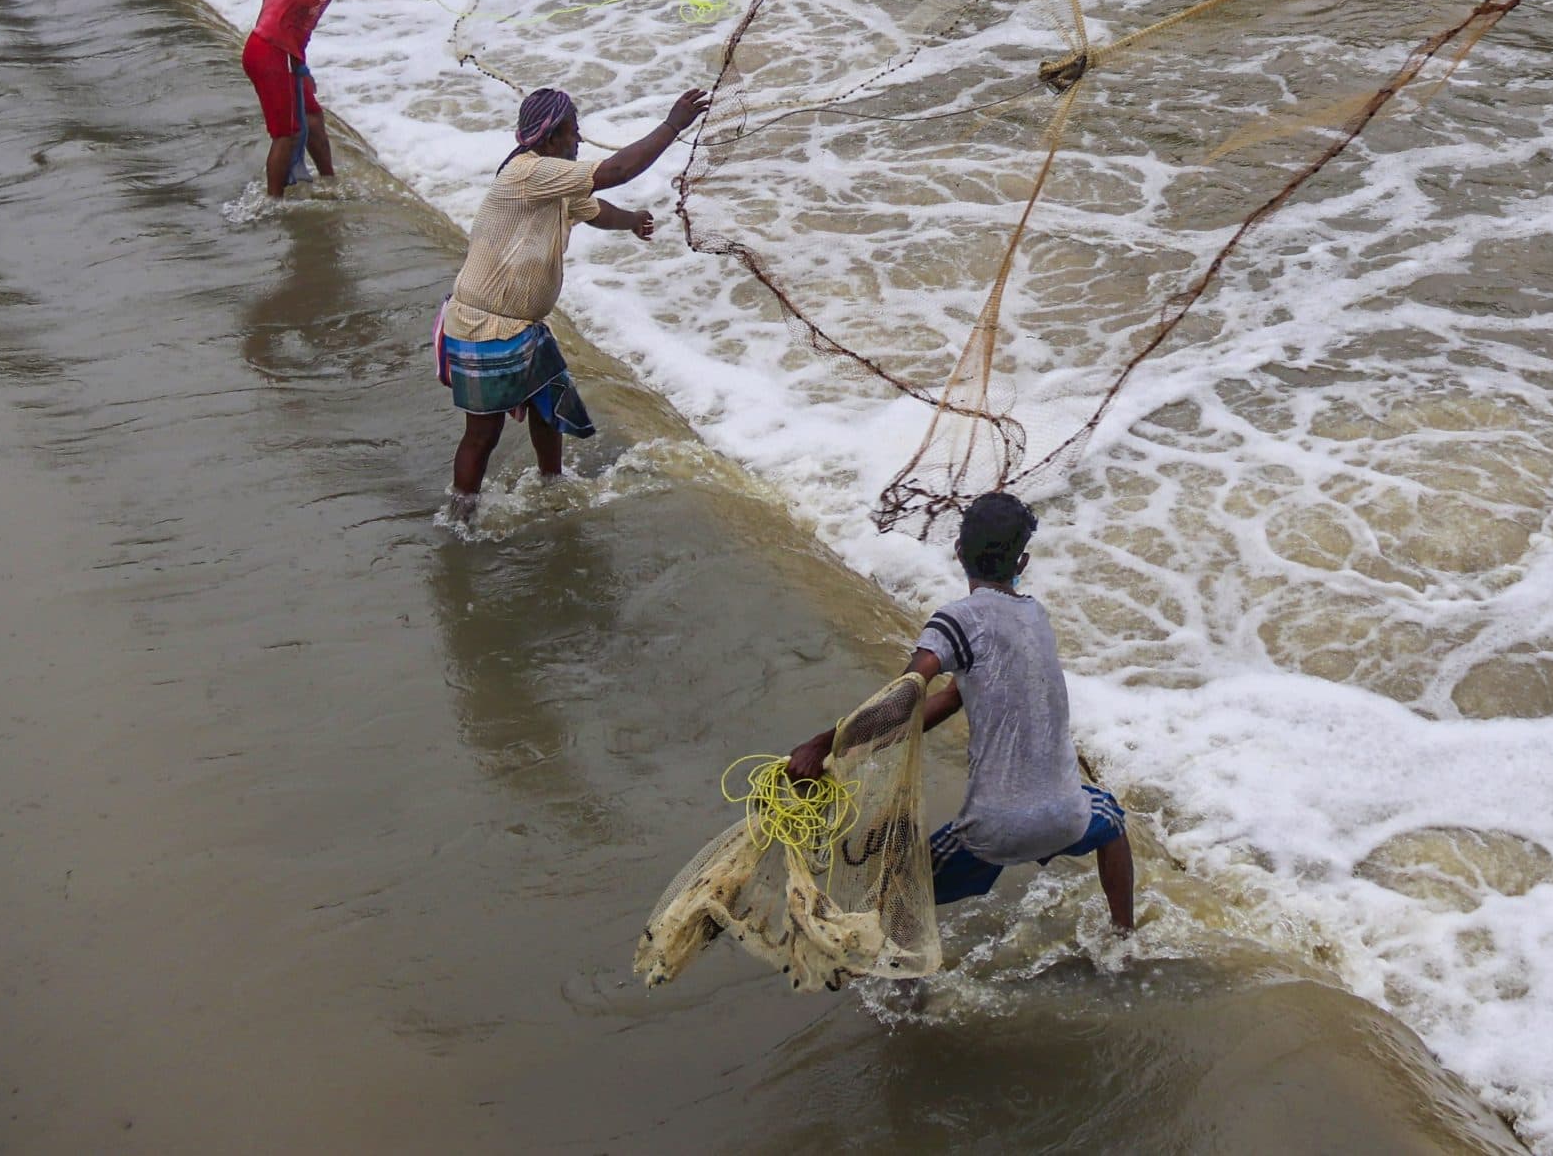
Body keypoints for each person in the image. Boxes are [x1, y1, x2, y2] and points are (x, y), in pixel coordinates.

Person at [785, 493, 1135, 932]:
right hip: (1068, 817)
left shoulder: (955, 621)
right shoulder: (1036, 616)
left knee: (898, 894)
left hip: (993, 830)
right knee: (1112, 818)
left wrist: (823, 746)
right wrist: (846, 749)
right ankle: (1123, 933)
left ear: (958, 553)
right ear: (1022, 563)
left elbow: (903, 699)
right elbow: (949, 700)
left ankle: (905, 992)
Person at [436, 84, 708, 517]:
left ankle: (552, 484)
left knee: (548, 406)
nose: (578, 140)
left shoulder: (554, 180)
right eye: (572, 132)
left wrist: (632, 221)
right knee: (483, 433)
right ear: (548, 138)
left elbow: (595, 209)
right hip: (483, 326)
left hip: (523, 326)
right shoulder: (529, 173)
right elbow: (618, 170)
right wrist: (673, 124)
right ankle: (459, 516)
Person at [244, 0, 454, 199]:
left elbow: (282, 16)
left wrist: (300, 66)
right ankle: (273, 203)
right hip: (272, 53)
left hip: (278, 52)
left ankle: (330, 181)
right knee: (287, 133)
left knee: (313, 116)